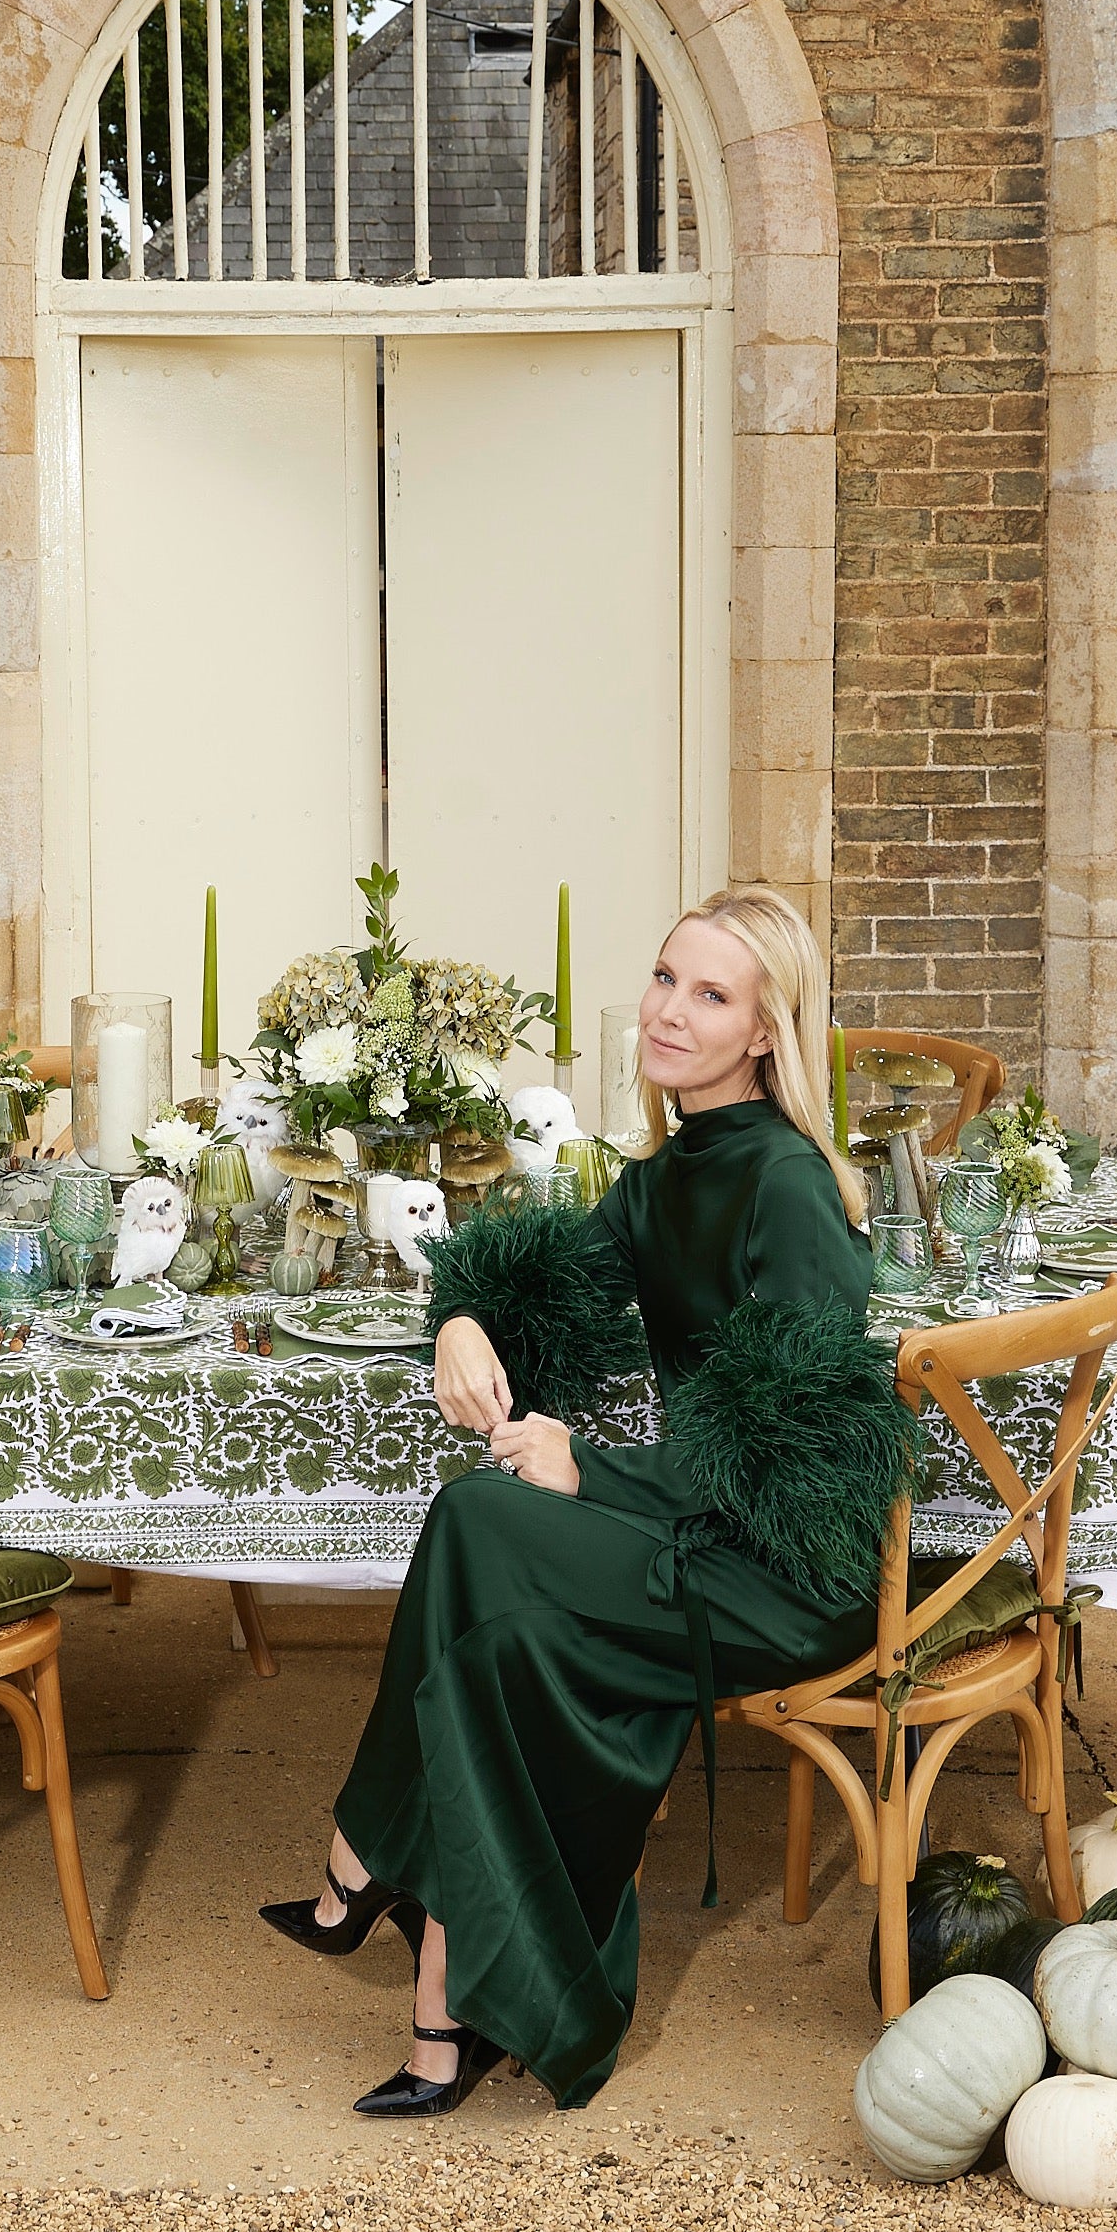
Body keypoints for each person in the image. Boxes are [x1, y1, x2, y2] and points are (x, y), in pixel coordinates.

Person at [261, 882, 914, 2116]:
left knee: (481, 1514)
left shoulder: (781, 1183)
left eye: (709, 994)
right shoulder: (672, 1171)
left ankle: (372, 1863)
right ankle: (444, 1997)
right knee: (490, 1609)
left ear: (765, 1032)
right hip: (695, 1528)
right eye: (665, 978)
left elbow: (800, 1452)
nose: (668, 1011)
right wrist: (460, 1311)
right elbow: (545, 1276)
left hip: (777, 1572)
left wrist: (591, 1470)